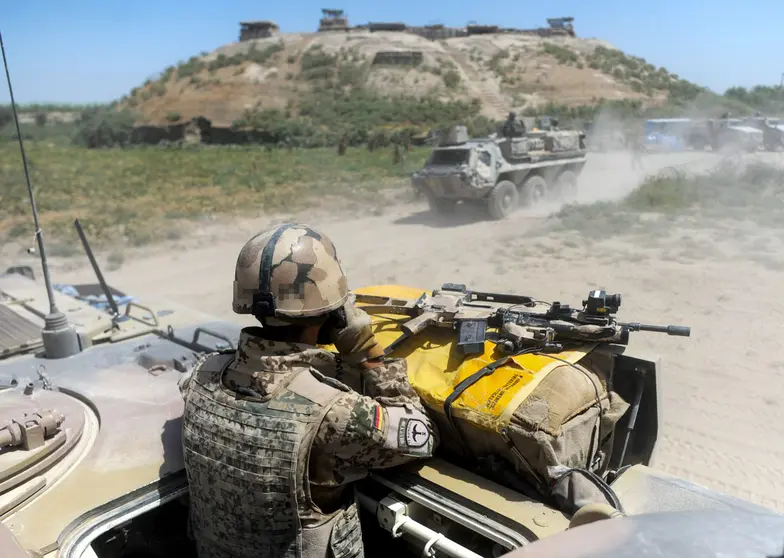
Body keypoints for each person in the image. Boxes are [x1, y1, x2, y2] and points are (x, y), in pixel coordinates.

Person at [179, 223, 437, 558]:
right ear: (330, 313)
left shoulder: (200, 376)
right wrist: (368, 353)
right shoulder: (334, 412)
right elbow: (422, 435)